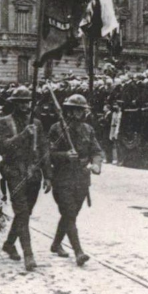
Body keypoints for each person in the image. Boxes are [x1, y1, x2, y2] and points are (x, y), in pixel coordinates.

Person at [0, 86, 51, 271]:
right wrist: (22, 136)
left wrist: (48, 176)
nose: (25, 106)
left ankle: (9, 243)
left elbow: (44, 149)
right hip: (14, 172)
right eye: (21, 102)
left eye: (27, 102)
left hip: (33, 173)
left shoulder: (37, 123)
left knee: (25, 213)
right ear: (14, 104)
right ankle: (28, 254)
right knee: (21, 212)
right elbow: (2, 148)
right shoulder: (4, 122)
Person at [48, 94, 104, 266]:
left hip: (81, 179)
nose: (78, 114)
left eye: (81, 110)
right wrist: (64, 155)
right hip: (62, 178)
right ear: (68, 110)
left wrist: (96, 165)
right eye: (75, 110)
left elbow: (97, 151)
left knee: (70, 214)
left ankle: (56, 244)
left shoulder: (88, 129)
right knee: (69, 213)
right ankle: (78, 252)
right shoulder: (57, 129)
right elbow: (47, 154)